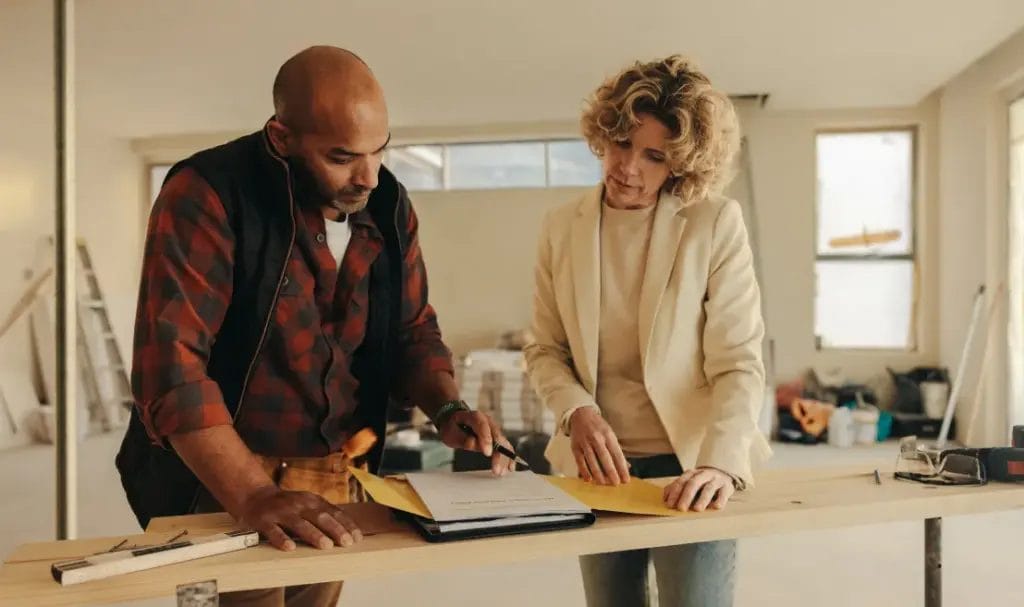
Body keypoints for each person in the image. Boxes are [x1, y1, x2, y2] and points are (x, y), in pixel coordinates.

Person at [116, 46, 513, 606]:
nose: (369, 177)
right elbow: (171, 369)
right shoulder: (207, 193)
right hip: (220, 475)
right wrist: (253, 493)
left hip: (333, 470)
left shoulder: (389, 205)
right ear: (281, 138)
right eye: (341, 156)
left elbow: (412, 331)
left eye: (381, 150)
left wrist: (447, 407)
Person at [524, 55, 772, 607]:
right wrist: (576, 411)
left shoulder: (715, 223)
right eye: (620, 144)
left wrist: (720, 464)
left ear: (681, 164)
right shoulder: (560, 226)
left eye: (654, 155)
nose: (628, 167)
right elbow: (544, 349)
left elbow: (738, 361)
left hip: (690, 463)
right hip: (596, 467)